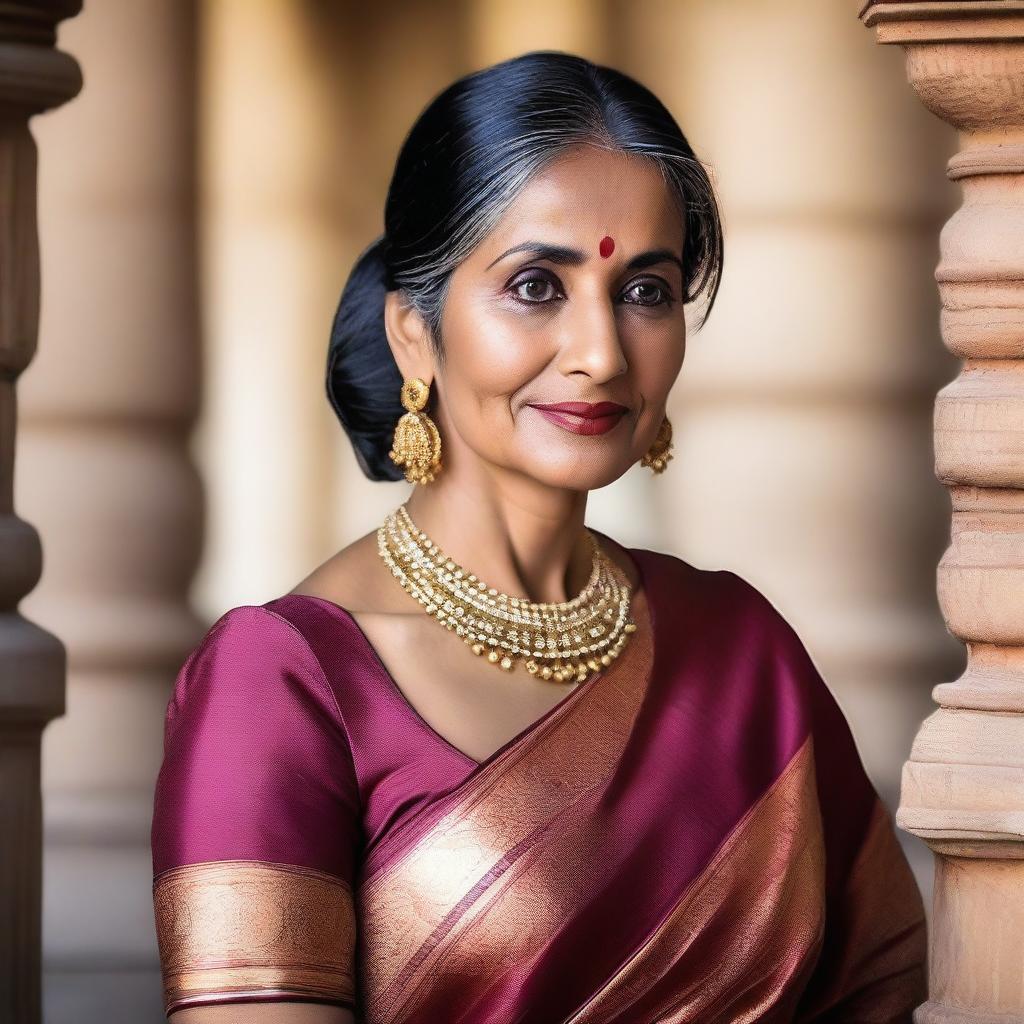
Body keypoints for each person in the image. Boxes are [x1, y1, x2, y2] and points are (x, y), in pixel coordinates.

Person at [150, 50, 927, 1024]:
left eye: (647, 290)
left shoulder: (741, 647)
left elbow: (883, 987)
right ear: (412, 333)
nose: (601, 353)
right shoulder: (284, 681)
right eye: (534, 285)